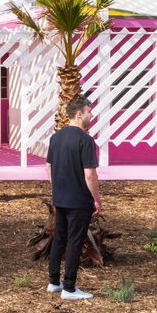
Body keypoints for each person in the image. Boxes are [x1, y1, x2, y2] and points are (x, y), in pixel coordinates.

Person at [46, 96, 100, 301]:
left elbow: (49, 166)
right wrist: (96, 199)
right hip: (79, 201)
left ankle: (54, 282)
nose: (91, 115)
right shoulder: (85, 140)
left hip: (60, 198)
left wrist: (57, 189)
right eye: (89, 112)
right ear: (79, 114)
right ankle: (69, 288)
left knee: (59, 238)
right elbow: (90, 174)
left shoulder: (56, 138)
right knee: (75, 241)